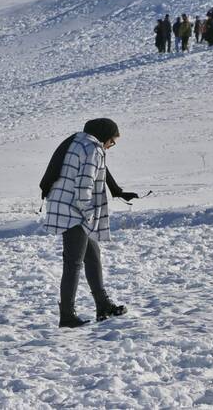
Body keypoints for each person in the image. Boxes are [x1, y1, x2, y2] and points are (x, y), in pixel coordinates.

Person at [41, 119, 139, 328]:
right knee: (73, 264)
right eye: (112, 141)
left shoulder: (79, 141)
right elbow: (84, 185)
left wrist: (117, 191)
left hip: (65, 205)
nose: (110, 146)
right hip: (74, 211)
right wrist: (87, 213)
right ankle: (67, 316)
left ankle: (103, 305)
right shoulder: (93, 149)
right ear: (104, 136)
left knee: (93, 256)